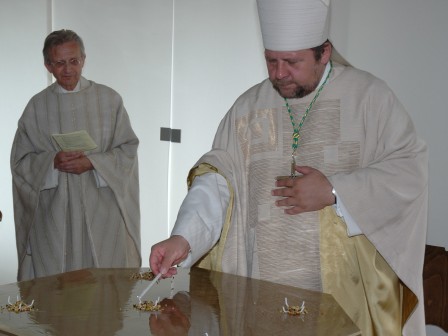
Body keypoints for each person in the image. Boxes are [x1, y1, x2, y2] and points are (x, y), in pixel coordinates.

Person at [150, 0, 428, 335]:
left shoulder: (368, 98)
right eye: (271, 60)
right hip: (260, 292)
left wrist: (335, 190)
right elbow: (218, 181)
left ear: (323, 53)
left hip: (341, 300)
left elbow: (408, 171)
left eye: (292, 61)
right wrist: (184, 237)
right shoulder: (247, 108)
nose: (279, 73)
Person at [11, 29, 141, 281]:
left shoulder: (109, 100)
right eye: (59, 63)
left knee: (103, 282)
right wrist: (51, 161)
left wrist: (93, 162)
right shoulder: (36, 107)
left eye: (73, 61)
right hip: (54, 213)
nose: (68, 70)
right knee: (57, 283)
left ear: (83, 59)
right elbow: (20, 162)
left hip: (101, 208)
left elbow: (127, 149)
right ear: (48, 65)